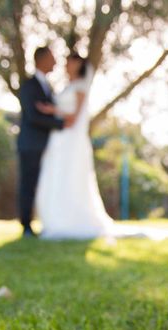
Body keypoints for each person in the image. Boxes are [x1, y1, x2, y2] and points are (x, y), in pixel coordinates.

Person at [34, 52, 115, 239]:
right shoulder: (67, 86)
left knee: (70, 177)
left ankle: (70, 220)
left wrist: (52, 110)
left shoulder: (79, 87)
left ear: (79, 64)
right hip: (57, 140)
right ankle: (54, 220)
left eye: (70, 62)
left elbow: (75, 117)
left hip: (71, 140)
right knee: (55, 178)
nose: (66, 65)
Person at [16, 46, 74, 238]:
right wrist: (60, 123)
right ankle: (26, 225)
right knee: (28, 183)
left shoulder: (48, 86)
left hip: (47, 145)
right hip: (30, 145)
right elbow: (33, 117)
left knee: (44, 184)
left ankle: (46, 221)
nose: (55, 62)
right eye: (52, 58)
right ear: (41, 60)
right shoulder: (28, 86)